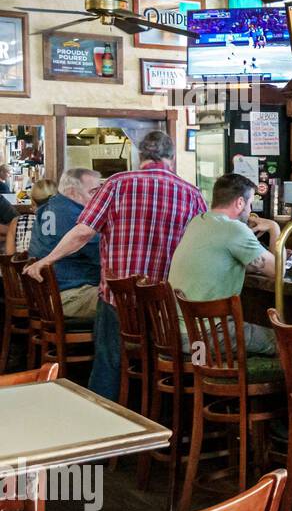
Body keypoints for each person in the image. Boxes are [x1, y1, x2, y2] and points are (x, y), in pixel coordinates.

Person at [25, 130, 206, 400]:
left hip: (118, 300)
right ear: (172, 158)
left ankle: (104, 417)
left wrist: (47, 260)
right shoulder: (191, 193)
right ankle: (157, 413)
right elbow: (201, 245)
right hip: (163, 305)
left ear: (140, 156)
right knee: (158, 360)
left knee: (109, 362)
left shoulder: (117, 184)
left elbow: (83, 232)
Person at [168, 173, 280, 356]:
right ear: (239, 203)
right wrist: (274, 228)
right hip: (208, 336)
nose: (251, 209)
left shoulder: (198, 221)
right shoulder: (235, 229)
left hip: (177, 333)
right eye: (250, 203)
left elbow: (230, 262)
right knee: (287, 341)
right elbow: (277, 271)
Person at [26, 169, 102, 322]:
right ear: (73, 192)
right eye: (94, 192)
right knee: (125, 301)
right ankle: (118, 346)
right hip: (68, 296)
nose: (99, 198)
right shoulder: (75, 216)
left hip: (45, 296)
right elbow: (102, 253)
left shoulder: (45, 210)